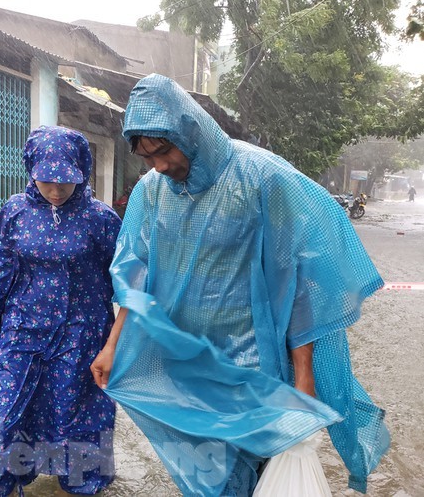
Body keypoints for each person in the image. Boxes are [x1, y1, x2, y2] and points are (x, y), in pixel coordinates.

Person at [91, 74, 389, 495]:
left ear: (189, 133)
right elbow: (138, 277)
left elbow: (299, 282)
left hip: (252, 363)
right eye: (146, 158)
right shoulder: (153, 191)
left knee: (256, 470)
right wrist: (112, 345)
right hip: (188, 361)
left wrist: (304, 377)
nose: (158, 165)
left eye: (163, 151)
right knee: (206, 471)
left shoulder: (261, 178)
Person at [0, 125, 121, 497]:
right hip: (21, 332)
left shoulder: (99, 219)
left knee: (74, 414)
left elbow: (128, 277)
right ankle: (6, 485)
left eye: (66, 181)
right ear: (31, 171)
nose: (56, 190)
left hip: (81, 334)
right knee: (8, 416)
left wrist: (123, 339)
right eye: (46, 180)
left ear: (82, 172)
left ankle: (83, 484)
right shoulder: (15, 212)